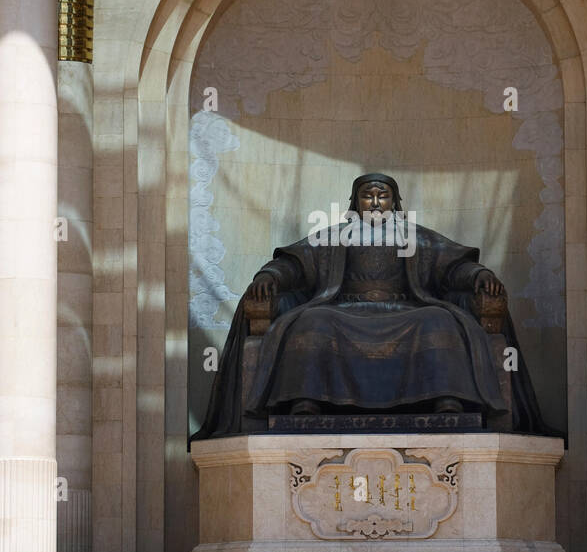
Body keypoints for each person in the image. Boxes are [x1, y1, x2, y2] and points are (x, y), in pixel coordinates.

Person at [191, 172, 558, 440]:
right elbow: (293, 265)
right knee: (312, 323)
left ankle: (447, 400)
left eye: (383, 195)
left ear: (395, 203)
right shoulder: (334, 236)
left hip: (406, 310)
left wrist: (478, 275)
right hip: (343, 309)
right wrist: (269, 277)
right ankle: (306, 401)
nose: (376, 202)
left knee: (438, 322)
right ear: (355, 203)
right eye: (368, 196)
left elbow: (454, 266)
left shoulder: (414, 236)